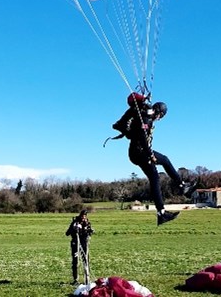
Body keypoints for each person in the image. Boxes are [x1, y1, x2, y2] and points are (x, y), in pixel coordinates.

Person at [111, 93, 193, 226]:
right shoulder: (147, 119)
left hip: (137, 152)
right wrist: (150, 155)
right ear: (160, 114)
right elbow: (143, 140)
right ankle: (174, 196)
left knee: (163, 163)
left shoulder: (142, 112)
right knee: (155, 177)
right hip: (140, 153)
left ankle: (178, 191)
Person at [65, 210, 94, 285]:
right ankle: (75, 279)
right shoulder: (75, 222)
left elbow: (89, 232)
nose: (83, 218)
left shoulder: (87, 223)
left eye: (85, 216)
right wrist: (74, 229)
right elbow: (67, 233)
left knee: (86, 261)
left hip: (84, 244)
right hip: (76, 244)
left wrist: (90, 231)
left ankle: (87, 279)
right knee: (76, 262)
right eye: (82, 216)